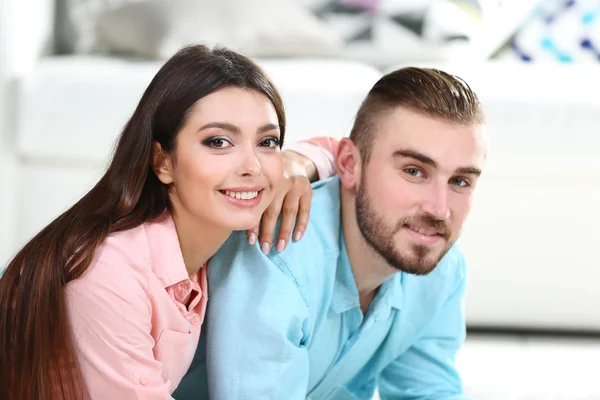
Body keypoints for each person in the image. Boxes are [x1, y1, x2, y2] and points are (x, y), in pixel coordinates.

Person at [0, 44, 318, 399]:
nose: (252, 167)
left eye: (267, 141)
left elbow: (345, 148)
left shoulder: (199, 239)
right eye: (218, 141)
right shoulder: (109, 270)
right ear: (162, 162)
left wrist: (299, 164)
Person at [174, 66, 488, 399]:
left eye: (460, 181)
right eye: (413, 171)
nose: (439, 210)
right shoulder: (278, 260)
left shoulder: (441, 268)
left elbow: (427, 390)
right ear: (350, 165)